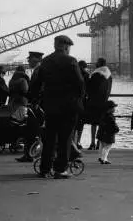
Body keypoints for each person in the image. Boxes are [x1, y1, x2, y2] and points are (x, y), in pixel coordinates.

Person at [29, 35, 84, 179]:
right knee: (65, 138)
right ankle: (60, 169)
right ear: (65, 46)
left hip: (50, 106)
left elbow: (36, 84)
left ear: (55, 45)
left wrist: (35, 100)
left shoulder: (45, 61)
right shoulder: (71, 61)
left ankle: (45, 168)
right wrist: (79, 99)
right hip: (68, 106)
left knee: (49, 137)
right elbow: (80, 83)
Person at [85, 58, 112, 150]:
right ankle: (99, 143)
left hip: (94, 102)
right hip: (104, 102)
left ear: (99, 64)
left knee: (93, 124)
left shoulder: (96, 74)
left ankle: (92, 142)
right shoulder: (109, 75)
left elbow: (90, 88)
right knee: (101, 124)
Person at [97, 100, 119, 164]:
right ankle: (104, 159)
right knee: (107, 147)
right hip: (108, 135)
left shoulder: (102, 115)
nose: (114, 109)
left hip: (101, 134)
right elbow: (113, 126)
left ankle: (100, 157)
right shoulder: (111, 117)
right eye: (113, 108)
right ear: (110, 109)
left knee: (102, 146)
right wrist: (117, 129)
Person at [74, 60, 91, 149]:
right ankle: (78, 142)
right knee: (81, 124)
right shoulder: (86, 75)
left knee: (73, 123)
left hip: (73, 101)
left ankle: (72, 141)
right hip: (83, 102)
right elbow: (88, 88)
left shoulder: (73, 74)